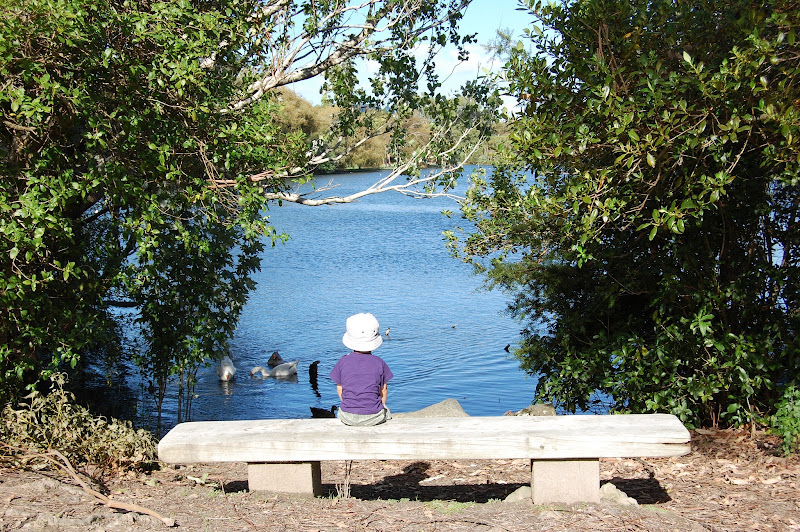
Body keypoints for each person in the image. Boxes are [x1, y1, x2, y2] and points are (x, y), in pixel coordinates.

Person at [329, 313, 393, 426]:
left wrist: (351, 406)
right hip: (374, 417)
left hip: (347, 416)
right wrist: (381, 405)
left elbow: (339, 388)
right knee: (386, 412)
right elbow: (384, 390)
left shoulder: (343, 361)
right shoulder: (379, 362)